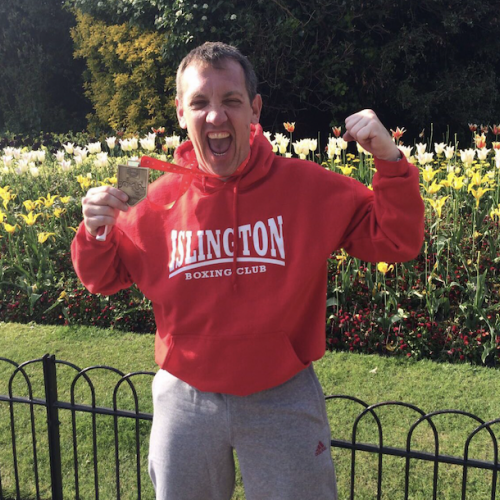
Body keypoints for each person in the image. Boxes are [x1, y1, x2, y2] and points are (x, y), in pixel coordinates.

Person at [71, 41, 424, 500]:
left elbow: (398, 240)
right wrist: (95, 230)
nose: (216, 117)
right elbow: (102, 277)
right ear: (181, 112)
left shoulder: (307, 187)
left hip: (282, 395)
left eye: (231, 101)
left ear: (254, 110)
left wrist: (389, 161)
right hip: (185, 396)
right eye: (200, 102)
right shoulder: (151, 195)